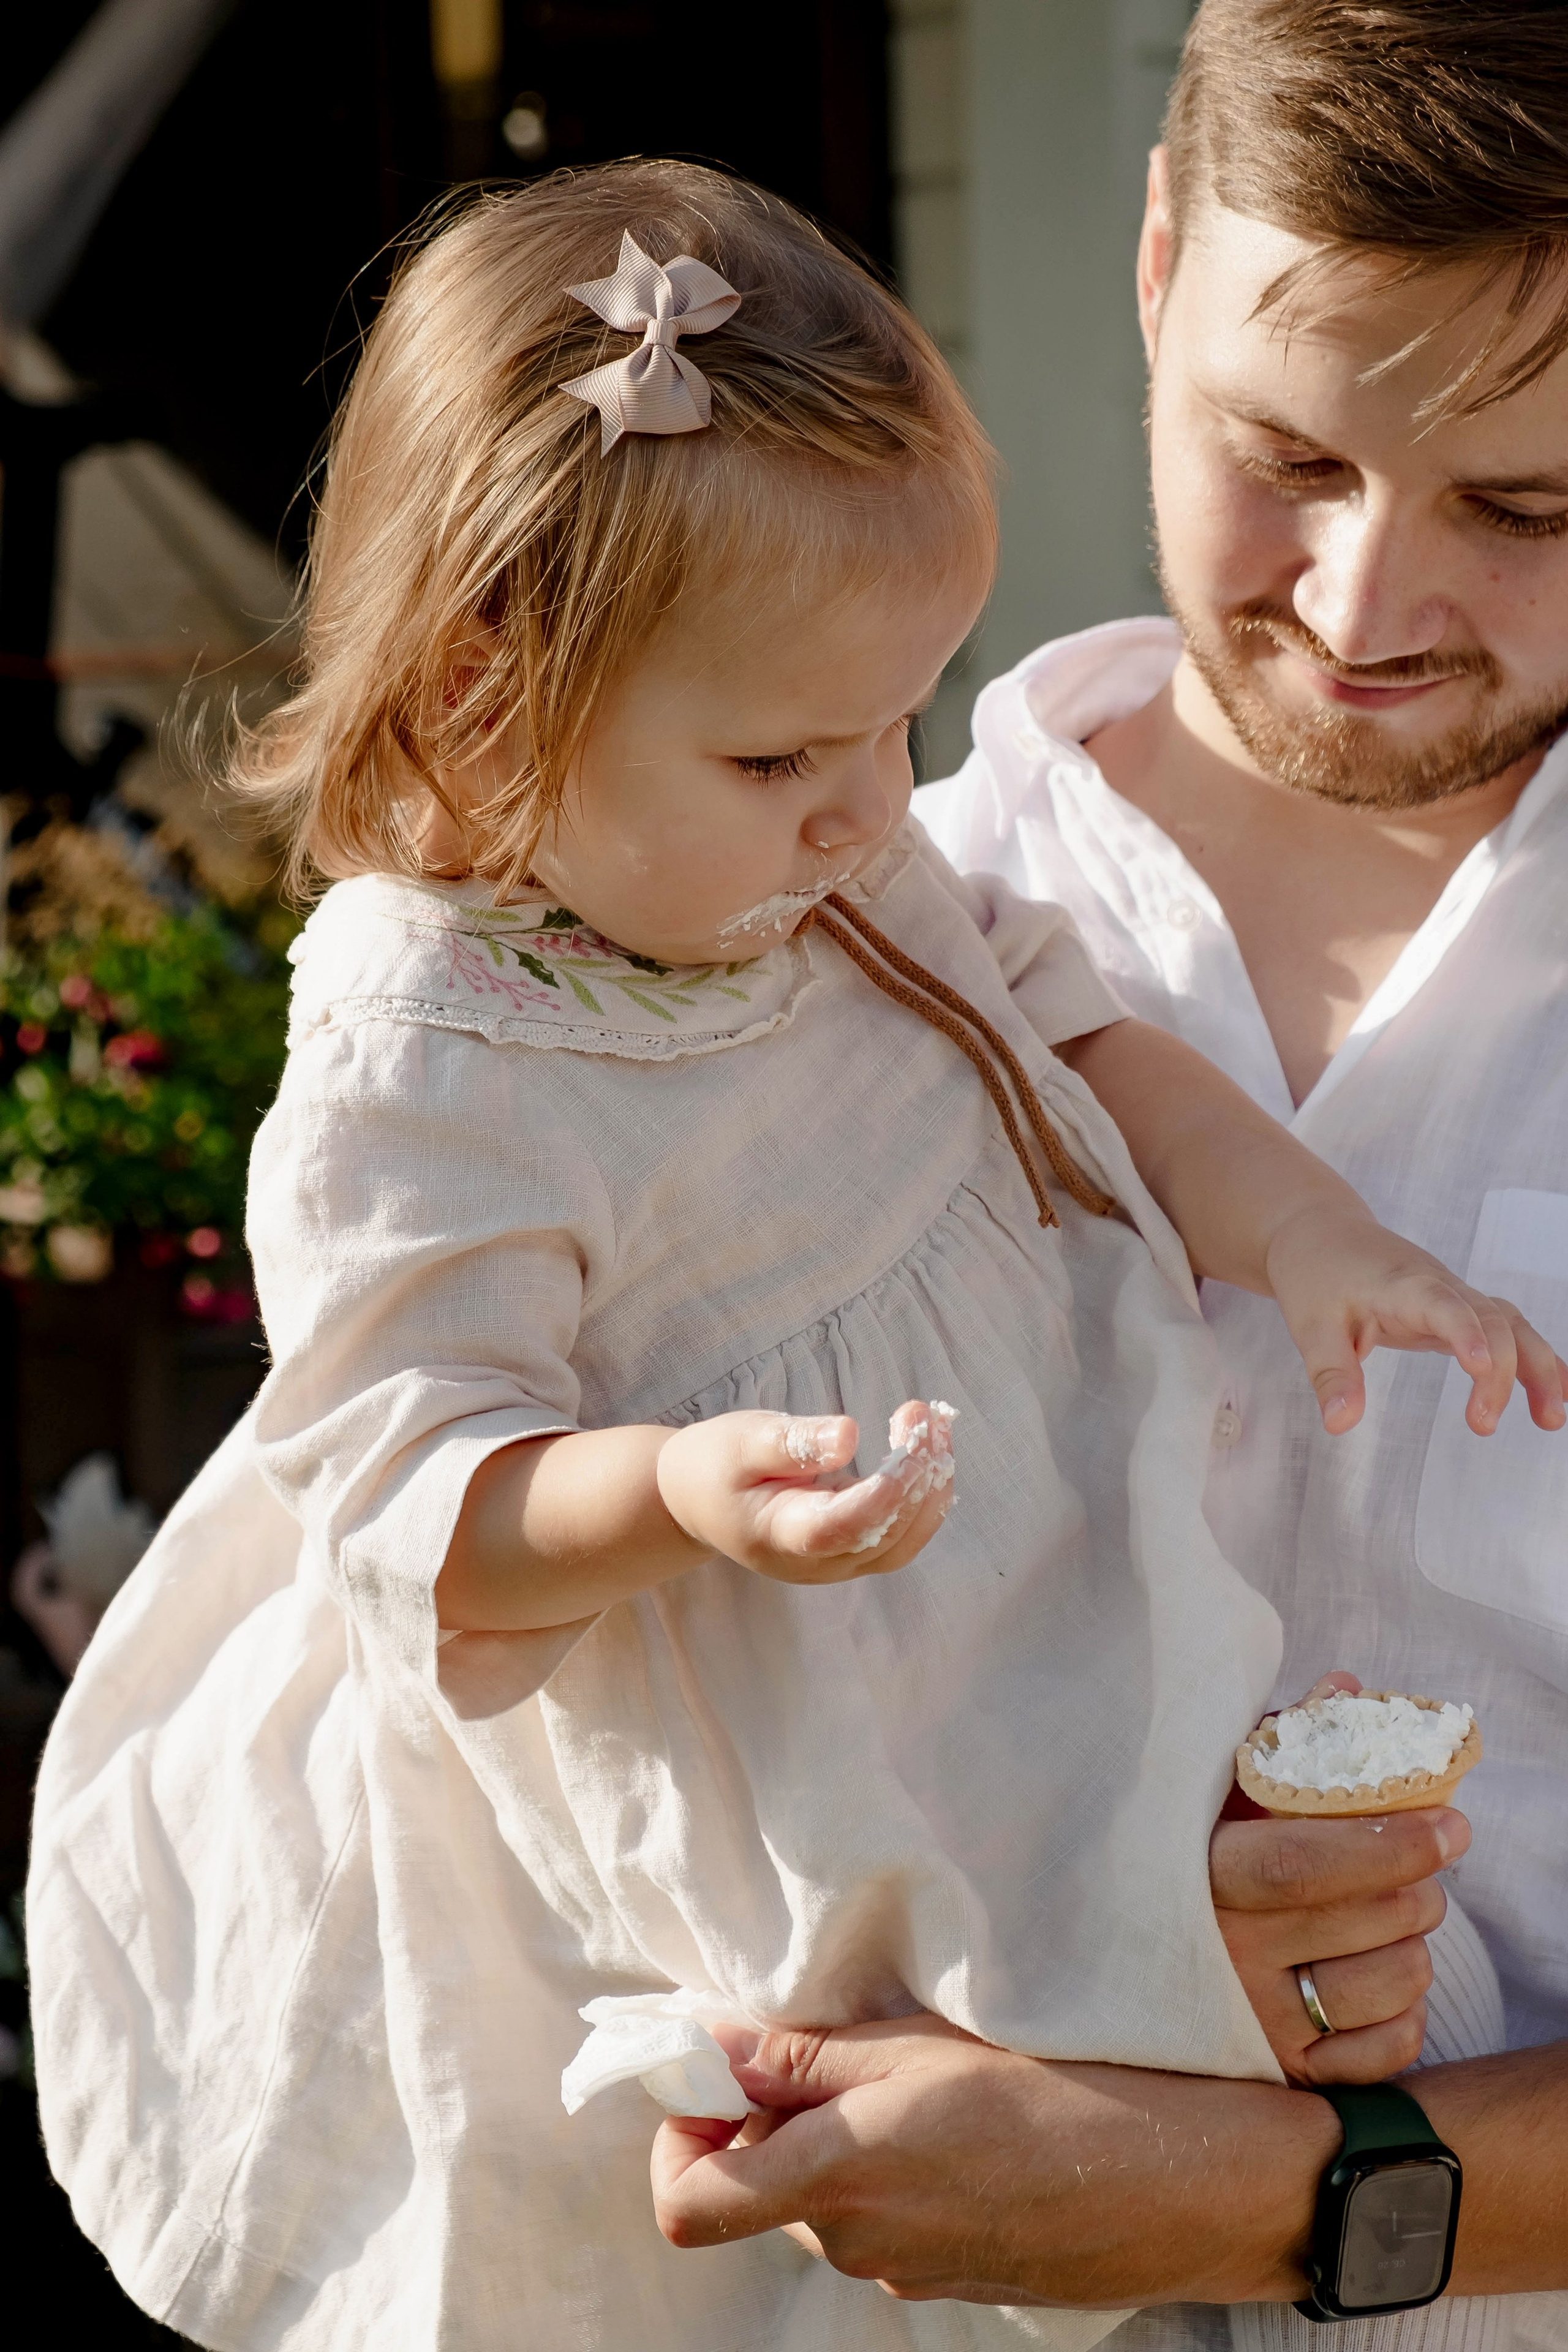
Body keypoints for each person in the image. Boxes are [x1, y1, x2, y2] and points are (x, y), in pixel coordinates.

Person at [24, 156, 1560, 2352]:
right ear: (486, 700)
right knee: (815, 2171)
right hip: (782, 1704)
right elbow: (404, 1494)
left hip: (1032, 1636)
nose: (875, 805)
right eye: (788, 750)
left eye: (903, 724)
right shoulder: (432, 1050)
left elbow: (1089, 1033)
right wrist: (668, 1488)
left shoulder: (825, 865)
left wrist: (1320, 1244)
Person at [650, 3, 1568, 2343]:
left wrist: (1275, 2188)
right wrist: (1041, 1935)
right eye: (1288, 457)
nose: (1367, 615)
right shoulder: (780, 945)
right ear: (1157, 263)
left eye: (1527, 509)